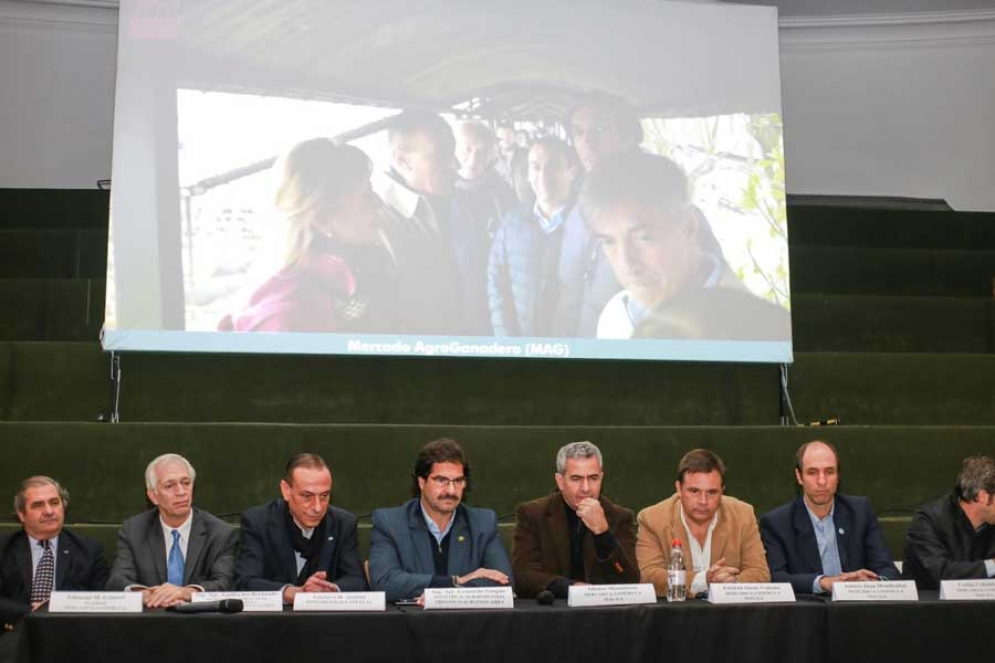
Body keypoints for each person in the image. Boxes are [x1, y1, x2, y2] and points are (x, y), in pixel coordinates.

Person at [580, 152, 791, 341]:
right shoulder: (615, 314)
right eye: (608, 242)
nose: (626, 263)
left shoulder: (760, 330)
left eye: (643, 238)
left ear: (688, 226)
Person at [219, 138, 398, 333]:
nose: (379, 203)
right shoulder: (285, 319)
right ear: (321, 218)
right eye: (366, 195)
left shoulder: (352, 281)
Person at [368, 438, 512, 601]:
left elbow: (503, 582)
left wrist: (444, 594)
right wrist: (456, 581)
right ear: (422, 482)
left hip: (468, 623)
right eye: (441, 480)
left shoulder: (482, 523)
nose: (451, 490)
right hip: (412, 623)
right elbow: (385, 582)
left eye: (458, 481)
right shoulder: (390, 522)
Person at [375, 110, 473, 334]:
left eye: (453, 153)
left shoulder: (451, 200)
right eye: (441, 156)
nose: (455, 165)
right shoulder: (378, 223)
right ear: (402, 160)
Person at [759, 441, 899, 595]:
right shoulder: (776, 523)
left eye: (829, 472)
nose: (822, 481)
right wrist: (823, 582)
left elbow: (887, 569)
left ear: (838, 476)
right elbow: (776, 578)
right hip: (808, 613)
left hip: (857, 608)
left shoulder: (860, 512)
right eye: (812, 472)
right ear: (799, 477)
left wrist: (870, 583)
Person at [106, 454, 238, 607]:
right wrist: (148, 594)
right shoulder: (134, 530)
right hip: (149, 622)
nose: (181, 492)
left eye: (186, 483)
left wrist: (185, 593)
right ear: (153, 496)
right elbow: (118, 580)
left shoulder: (219, 532)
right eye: (169, 486)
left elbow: (224, 582)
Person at [512, 441, 638, 598]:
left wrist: (603, 533)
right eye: (576, 478)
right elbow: (522, 576)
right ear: (560, 481)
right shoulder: (533, 514)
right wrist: (571, 587)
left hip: (604, 614)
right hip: (552, 613)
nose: (586, 488)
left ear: (601, 478)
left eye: (593, 478)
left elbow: (629, 581)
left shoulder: (619, 517)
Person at [235, 453, 367, 603]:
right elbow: (245, 582)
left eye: (324, 496)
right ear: (286, 490)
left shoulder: (343, 523)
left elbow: (357, 580)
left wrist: (330, 590)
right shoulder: (258, 522)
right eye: (307, 496)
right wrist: (293, 593)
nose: (317, 507)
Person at [636, 449, 769, 598]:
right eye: (694, 491)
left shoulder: (743, 515)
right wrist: (704, 580)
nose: (703, 501)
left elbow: (760, 572)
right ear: (679, 489)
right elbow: (648, 576)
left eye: (712, 492)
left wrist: (730, 584)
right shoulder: (652, 519)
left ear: (722, 491)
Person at [488, 136, 580, 336]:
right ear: (528, 174)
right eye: (536, 167)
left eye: (553, 166)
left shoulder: (586, 225)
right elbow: (496, 282)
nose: (543, 175)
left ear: (572, 172)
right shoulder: (511, 223)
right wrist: (506, 341)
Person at [1, 477, 109, 628]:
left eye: (54, 503)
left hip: (71, 631)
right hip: (15, 631)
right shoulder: (4, 548)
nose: (49, 511)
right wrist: (35, 613)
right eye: (38, 505)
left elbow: (102, 599)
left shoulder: (89, 550)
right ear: (21, 514)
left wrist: (60, 608)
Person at [454, 121, 518, 333]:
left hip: (492, 285)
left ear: (492, 153)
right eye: (467, 149)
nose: (473, 159)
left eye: (481, 151)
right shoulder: (441, 191)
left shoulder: (502, 193)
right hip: (453, 286)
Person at [903, 455, 995, 589]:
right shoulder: (927, 521)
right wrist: (992, 566)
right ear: (983, 497)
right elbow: (940, 574)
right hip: (935, 608)